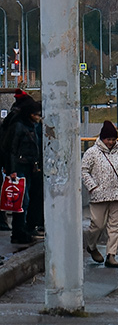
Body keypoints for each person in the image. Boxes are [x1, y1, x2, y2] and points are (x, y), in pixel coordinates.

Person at [82, 120, 118, 269]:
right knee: (97, 225)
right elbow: (84, 170)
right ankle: (91, 246)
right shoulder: (92, 153)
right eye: (108, 139)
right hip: (99, 195)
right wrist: (93, 187)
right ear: (102, 138)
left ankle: (111, 255)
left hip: (117, 194)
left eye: (113, 139)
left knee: (116, 225)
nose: (110, 142)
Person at [1, 98, 43, 245]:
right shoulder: (19, 126)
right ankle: (18, 232)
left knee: (24, 200)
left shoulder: (29, 126)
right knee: (21, 201)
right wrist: (12, 169)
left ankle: (21, 230)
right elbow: (11, 149)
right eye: (36, 114)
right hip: (19, 167)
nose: (38, 117)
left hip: (28, 166)